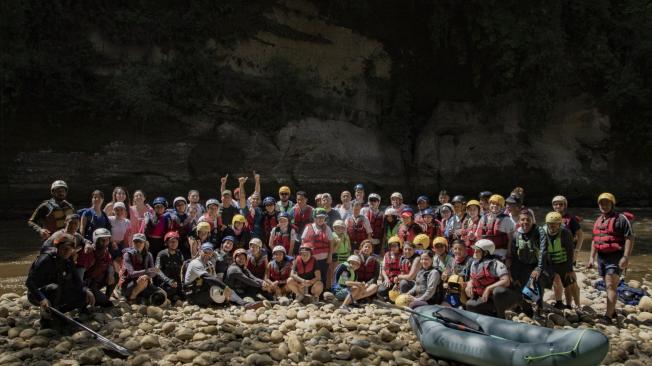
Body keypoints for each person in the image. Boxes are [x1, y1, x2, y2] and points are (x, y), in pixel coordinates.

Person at [26, 234, 95, 329]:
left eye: (69, 249)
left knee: (83, 295)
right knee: (54, 288)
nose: (66, 252)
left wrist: (86, 290)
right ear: (57, 248)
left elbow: (77, 281)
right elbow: (29, 282)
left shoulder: (68, 260)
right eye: (64, 249)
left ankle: (57, 313)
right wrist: (42, 298)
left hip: (57, 291)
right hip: (37, 294)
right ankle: (46, 318)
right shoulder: (46, 259)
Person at [589, 193, 634, 322]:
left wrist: (625, 257)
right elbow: (595, 240)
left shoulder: (621, 219)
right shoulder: (599, 220)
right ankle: (612, 311)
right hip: (602, 257)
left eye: (607, 203)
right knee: (608, 285)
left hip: (616, 256)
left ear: (612, 204)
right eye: (601, 203)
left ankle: (608, 316)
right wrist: (591, 257)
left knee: (610, 285)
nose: (604, 206)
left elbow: (630, 237)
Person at [183, 243, 257, 308]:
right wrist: (225, 287)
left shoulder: (209, 264)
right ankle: (226, 301)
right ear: (200, 252)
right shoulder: (196, 263)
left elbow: (215, 278)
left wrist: (225, 288)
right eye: (205, 252)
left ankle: (245, 304)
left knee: (225, 289)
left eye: (210, 253)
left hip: (202, 289)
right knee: (221, 291)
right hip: (193, 294)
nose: (207, 255)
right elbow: (208, 277)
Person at [465, 239, 520, 318]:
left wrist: (489, 288)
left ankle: (502, 317)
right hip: (490, 299)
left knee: (497, 291)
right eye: (475, 250)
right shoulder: (474, 264)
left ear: (486, 252)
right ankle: (494, 317)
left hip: (505, 297)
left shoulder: (496, 264)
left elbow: (506, 281)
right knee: (470, 305)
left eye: (477, 251)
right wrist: (469, 284)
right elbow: (472, 278)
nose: (475, 252)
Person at [510, 209, 547, 312]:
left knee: (538, 281)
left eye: (528, 220)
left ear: (532, 220)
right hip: (522, 263)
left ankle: (539, 305)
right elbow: (514, 256)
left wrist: (539, 268)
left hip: (536, 263)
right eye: (522, 220)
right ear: (519, 221)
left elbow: (543, 251)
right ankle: (520, 304)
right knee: (517, 283)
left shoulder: (539, 231)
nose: (525, 222)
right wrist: (515, 275)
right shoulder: (516, 235)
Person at [551, 195, 583, 307]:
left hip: (568, 254)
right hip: (555, 255)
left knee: (569, 280)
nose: (558, 206)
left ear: (565, 206)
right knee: (557, 279)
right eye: (556, 204)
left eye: (561, 204)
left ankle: (574, 304)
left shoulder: (571, 219)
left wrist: (577, 251)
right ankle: (560, 302)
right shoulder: (550, 218)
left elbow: (580, 235)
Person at [119, 233, 166, 305]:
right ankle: (131, 298)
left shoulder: (148, 255)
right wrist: (147, 271)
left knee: (162, 294)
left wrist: (147, 276)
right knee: (142, 281)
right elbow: (131, 274)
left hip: (144, 282)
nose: (138, 244)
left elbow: (154, 272)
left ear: (144, 243)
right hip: (128, 284)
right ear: (133, 243)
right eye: (135, 242)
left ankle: (140, 299)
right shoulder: (127, 255)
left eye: (140, 242)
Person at [544, 212, 577, 310]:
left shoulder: (566, 233)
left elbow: (570, 252)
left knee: (567, 283)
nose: (552, 226)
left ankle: (569, 304)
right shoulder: (542, 232)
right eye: (550, 223)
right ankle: (559, 302)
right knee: (556, 280)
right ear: (547, 224)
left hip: (563, 261)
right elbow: (541, 250)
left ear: (559, 224)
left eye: (555, 224)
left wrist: (569, 269)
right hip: (550, 262)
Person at [76, 228, 115, 307]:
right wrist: (84, 290)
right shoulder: (87, 253)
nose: (105, 243)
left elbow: (110, 263)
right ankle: (83, 306)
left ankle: (106, 298)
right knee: (104, 302)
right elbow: (79, 276)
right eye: (102, 240)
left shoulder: (105, 251)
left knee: (115, 275)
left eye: (107, 240)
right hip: (87, 283)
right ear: (96, 240)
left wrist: (110, 274)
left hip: (97, 280)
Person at [474, 194, 514, 261]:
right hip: (485, 252)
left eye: (498, 204)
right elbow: (478, 236)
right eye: (492, 203)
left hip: (501, 253)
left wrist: (509, 255)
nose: (495, 206)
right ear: (489, 205)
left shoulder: (506, 220)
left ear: (501, 207)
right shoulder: (484, 218)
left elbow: (511, 239)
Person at [301, 208, 332, 285]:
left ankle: (322, 293)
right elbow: (303, 241)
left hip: (323, 259)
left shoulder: (327, 228)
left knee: (323, 276)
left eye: (323, 217)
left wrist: (330, 256)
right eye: (319, 217)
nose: (321, 219)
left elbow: (331, 242)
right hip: (311, 258)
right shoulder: (308, 227)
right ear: (314, 218)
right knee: (311, 276)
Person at [442, 240, 473, 307]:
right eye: (455, 249)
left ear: (465, 250)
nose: (457, 251)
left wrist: (466, 283)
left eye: (460, 249)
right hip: (451, 290)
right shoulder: (451, 260)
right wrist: (444, 277)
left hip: (464, 291)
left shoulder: (471, 261)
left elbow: (473, 278)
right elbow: (445, 276)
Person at [155, 231, 185, 301]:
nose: (174, 243)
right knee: (171, 290)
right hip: (166, 283)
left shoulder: (179, 254)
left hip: (178, 282)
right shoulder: (161, 254)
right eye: (171, 241)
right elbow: (157, 270)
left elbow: (184, 268)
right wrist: (169, 281)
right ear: (167, 243)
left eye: (175, 241)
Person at [108, 202, 132, 272]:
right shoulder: (110, 219)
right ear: (113, 211)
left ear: (124, 211)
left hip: (122, 244)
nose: (119, 212)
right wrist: (112, 242)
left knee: (122, 262)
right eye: (117, 210)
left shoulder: (127, 222)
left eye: (121, 209)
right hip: (111, 244)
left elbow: (127, 236)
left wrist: (126, 247)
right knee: (114, 262)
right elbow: (107, 232)